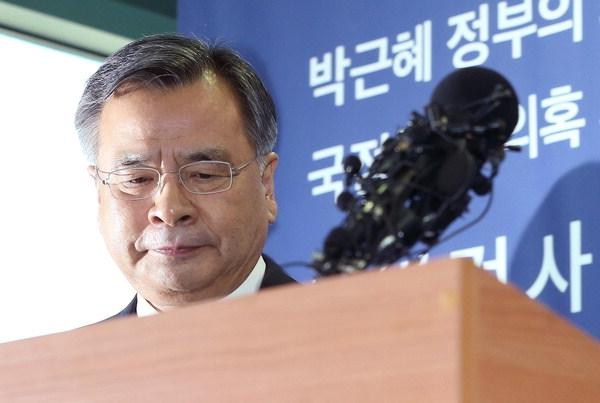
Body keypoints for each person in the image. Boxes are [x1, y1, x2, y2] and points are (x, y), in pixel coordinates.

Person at [75, 34, 295, 318]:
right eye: (137, 179)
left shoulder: (348, 335)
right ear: (99, 195)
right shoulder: (63, 350)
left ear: (266, 186)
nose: (169, 211)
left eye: (203, 175)